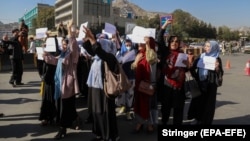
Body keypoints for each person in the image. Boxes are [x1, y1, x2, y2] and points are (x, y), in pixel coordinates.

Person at [43, 19, 81, 139]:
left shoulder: (73, 54)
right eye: (63, 45)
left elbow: (73, 44)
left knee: (65, 108)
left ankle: (63, 129)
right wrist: (44, 52)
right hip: (60, 82)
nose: (65, 46)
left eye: (66, 44)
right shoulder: (63, 54)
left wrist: (70, 30)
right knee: (67, 107)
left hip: (68, 84)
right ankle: (75, 121)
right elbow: (54, 60)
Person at [83, 26, 120, 141]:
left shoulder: (110, 57)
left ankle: (109, 136)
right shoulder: (96, 58)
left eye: (101, 44)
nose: (98, 45)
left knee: (106, 113)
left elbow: (98, 50)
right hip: (95, 88)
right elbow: (90, 49)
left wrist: (93, 39)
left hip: (106, 89)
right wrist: (87, 38)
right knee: (96, 112)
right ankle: (99, 133)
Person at [157, 19, 187, 125]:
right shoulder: (166, 52)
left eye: (176, 42)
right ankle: (164, 122)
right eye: (172, 41)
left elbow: (187, 69)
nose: (174, 43)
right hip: (166, 85)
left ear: (179, 43)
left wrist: (188, 64)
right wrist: (165, 25)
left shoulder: (182, 54)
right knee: (166, 108)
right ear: (169, 43)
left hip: (179, 86)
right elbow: (159, 39)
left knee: (178, 109)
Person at [187, 40, 224, 125]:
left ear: (214, 48)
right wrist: (192, 71)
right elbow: (193, 67)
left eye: (208, 46)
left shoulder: (217, 58)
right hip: (200, 83)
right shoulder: (201, 56)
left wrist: (217, 68)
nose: (206, 48)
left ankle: (206, 121)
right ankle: (197, 118)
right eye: (205, 46)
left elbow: (221, 72)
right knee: (198, 102)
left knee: (208, 104)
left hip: (211, 85)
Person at [131, 36, 158, 133]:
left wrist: (147, 43)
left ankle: (150, 124)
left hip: (149, 86)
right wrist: (136, 61)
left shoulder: (152, 54)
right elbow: (134, 68)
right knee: (139, 105)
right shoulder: (139, 54)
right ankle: (140, 122)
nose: (139, 43)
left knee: (149, 105)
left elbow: (150, 57)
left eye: (142, 42)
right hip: (139, 85)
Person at [115, 39, 136, 120]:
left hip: (131, 77)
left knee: (130, 95)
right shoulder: (119, 53)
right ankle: (122, 106)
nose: (128, 47)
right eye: (126, 45)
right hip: (122, 77)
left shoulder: (135, 53)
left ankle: (128, 111)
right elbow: (117, 62)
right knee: (122, 94)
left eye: (129, 45)